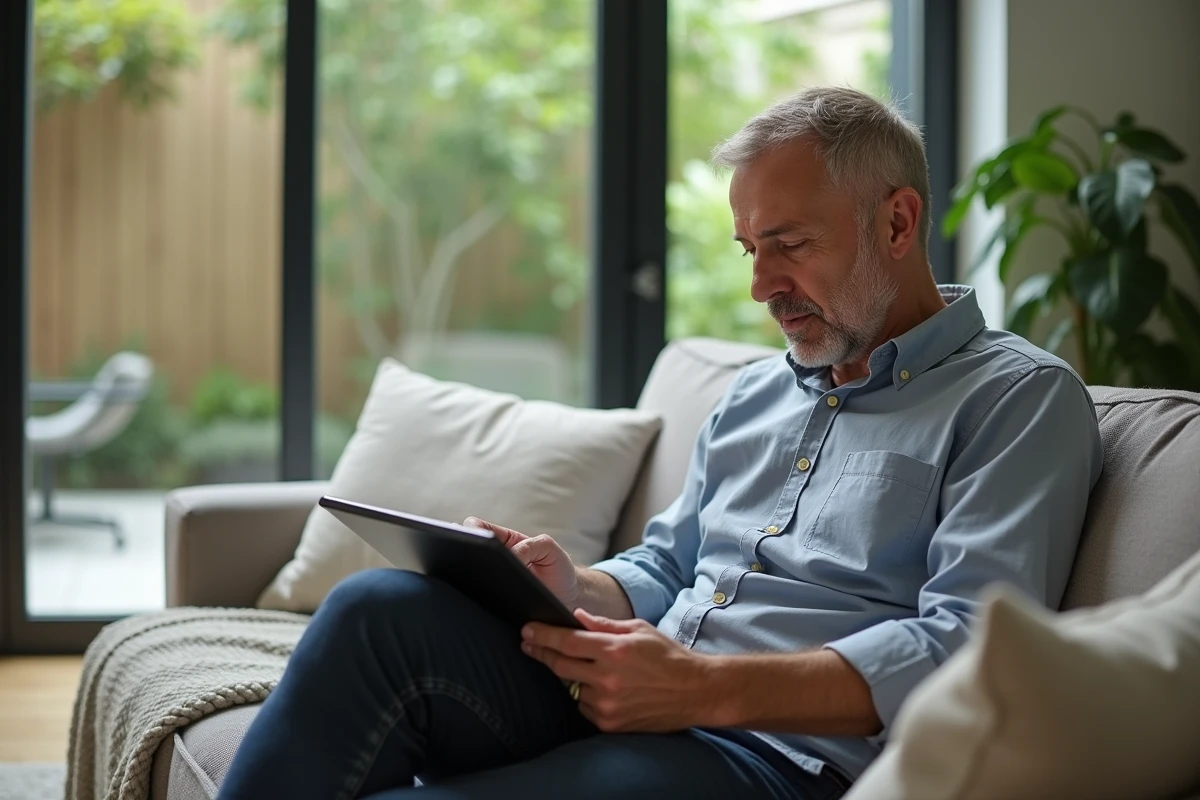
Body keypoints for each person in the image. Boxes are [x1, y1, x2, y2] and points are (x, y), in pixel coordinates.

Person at [218, 87, 1102, 800]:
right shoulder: (756, 393)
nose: (762, 284)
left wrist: (700, 688)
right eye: (749, 248)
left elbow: (967, 651)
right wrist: (573, 583)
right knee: (376, 609)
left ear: (898, 224)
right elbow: (672, 568)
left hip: (774, 762)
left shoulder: (1017, 401)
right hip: (643, 698)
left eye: (788, 244)